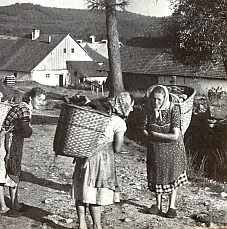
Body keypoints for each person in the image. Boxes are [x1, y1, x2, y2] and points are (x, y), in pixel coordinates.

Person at [71, 91, 134, 229]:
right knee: (95, 194)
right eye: (131, 106)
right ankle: (96, 225)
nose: (132, 109)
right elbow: (117, 147)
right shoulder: (119, 122)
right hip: (101, 161)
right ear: (124, 106)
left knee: (81, 190)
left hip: (84, 155)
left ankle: (81, 224)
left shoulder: (96, 115)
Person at [0, 86, 46, 217]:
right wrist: (30, 131)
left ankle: (15, 204)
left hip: (14, 141)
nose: (41, 102)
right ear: (31, 98)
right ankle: (2, 207)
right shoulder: (24, 109)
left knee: (14, 171)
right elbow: (27, 131)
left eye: (43, 100)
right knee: (1, 173)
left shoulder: (26, 108)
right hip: (6, 140)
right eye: (39, 99)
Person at [143, 85, 188, 219]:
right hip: (155, 149)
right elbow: (144, 128)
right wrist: (150, 135)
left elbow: (174, 135)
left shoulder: (173, 109)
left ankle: (171, 207)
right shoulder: (148, 110)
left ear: (165, 99)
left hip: (173, 148)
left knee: (171, 174)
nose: (155, 102)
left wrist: (154, 135)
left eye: (158, 100)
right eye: (153, 99)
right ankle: (158, 205)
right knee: (157, 173)